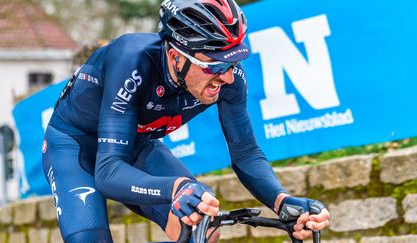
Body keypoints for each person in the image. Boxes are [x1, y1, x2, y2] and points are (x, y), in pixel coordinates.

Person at [42, 0, 330, 242]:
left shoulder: (229, 81)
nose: (227, 76)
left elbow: (246, 153)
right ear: (175, 56)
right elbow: (107, 172)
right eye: (215, 65)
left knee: (203, 224)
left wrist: (283, 202)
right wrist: (176, 187)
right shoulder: (131, 60)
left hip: (135, 145)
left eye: (232, 63)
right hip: (74, 146)